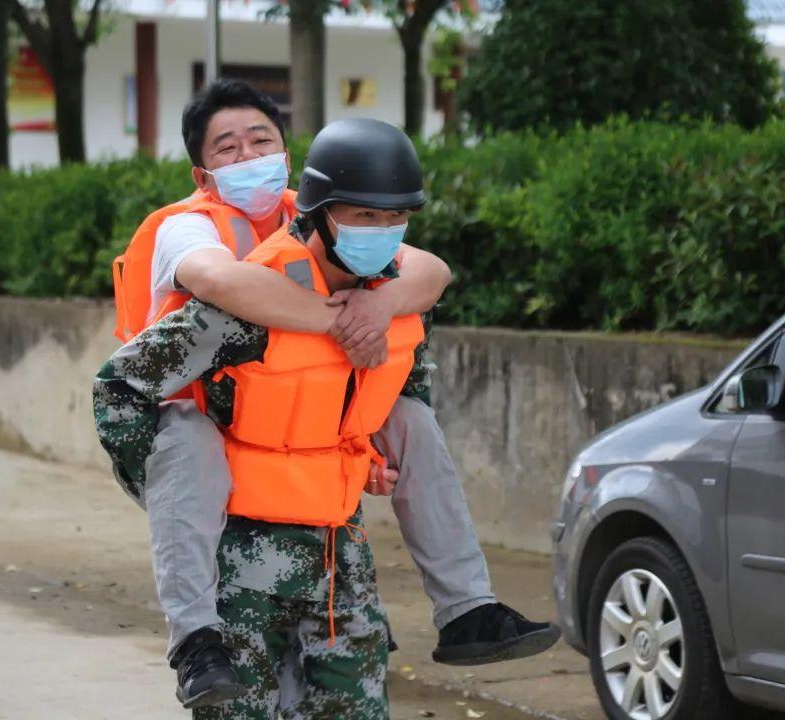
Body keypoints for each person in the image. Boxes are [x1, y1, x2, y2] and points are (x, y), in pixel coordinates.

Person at [104, 81, 559, 709]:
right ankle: (196, 641)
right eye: (227, 148)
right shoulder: (197, 239)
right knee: (187, 437)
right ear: (203, 172)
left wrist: (382, 308)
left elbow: (427, 277)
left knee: (412, 419)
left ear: (290, 159)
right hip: (217, 476)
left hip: (327, 519)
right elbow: (211, 291)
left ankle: (468, 609)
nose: (247, 156)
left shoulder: (346, 228)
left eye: (260, 139)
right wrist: (338, 320)